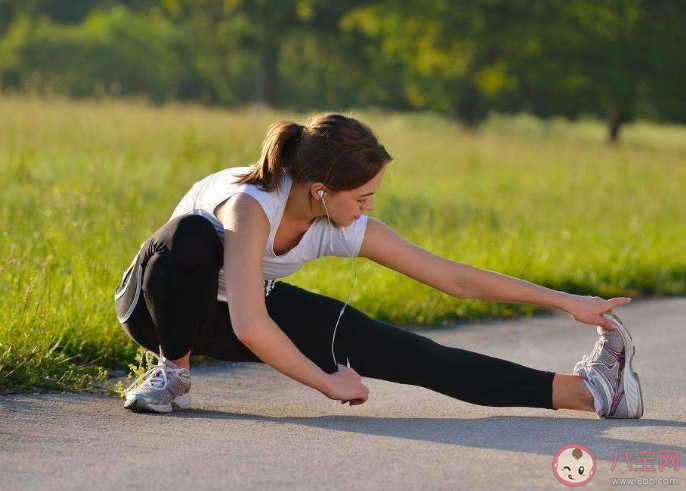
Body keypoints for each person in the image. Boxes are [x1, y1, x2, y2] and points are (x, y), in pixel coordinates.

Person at [113, 112, 644, 419]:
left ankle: (591, 392)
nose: (369, 208)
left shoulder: (337, 220)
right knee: (190, 240)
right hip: (158, 309)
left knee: (406, 351)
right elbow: (251, 325)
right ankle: (172, 373)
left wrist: (565, 301)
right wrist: (327, 382)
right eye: (362, 197)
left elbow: (452, 278)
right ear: (321, 190)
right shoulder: (252, 205)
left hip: (240, 312)